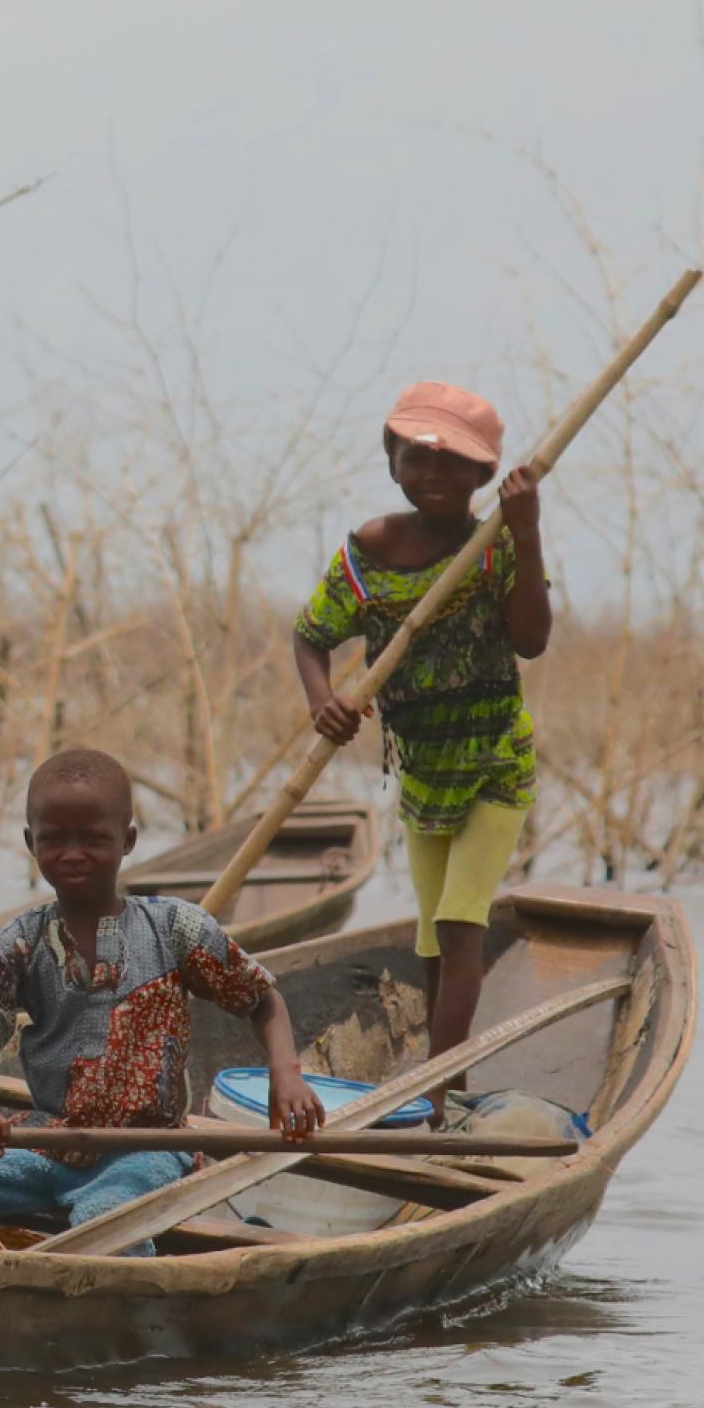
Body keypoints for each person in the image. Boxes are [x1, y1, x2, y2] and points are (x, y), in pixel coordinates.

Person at [0, 749, 324, 1248]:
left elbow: (262, 1001)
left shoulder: (175, 928)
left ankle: (130, 1307)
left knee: (106, 1219)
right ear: (30, 843)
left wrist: (286, 1073)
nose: (72, 853)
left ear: (127, 841)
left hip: (146, 1149)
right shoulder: (24, 940)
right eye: (55, 840)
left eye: (92, 839)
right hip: (45, 1142)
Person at [291, 380, 551, 1080]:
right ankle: (451, 1078)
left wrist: (525, 531)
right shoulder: (370, 550)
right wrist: (325, 701)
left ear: (483, 477)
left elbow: (531, 639)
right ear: (393, 464)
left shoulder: (493, 545)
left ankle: (435, 1092)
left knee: (464, 923)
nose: (432, 477)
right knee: (433, 937)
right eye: (417, 460)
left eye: (452, 465)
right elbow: (311, 636)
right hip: (423, 771)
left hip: (496, 760)